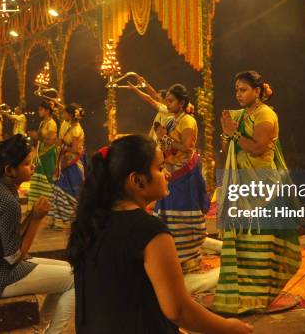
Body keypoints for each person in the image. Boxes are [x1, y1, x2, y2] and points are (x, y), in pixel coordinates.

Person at [67, 135, 252, 334]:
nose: (168, 175)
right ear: (137, 181)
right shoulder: (150, 231)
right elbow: (178, 310)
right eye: (160, 168)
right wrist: (229, 327)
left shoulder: (90, 223)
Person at [0, 135, 74, 333]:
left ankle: (38, 328)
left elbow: (11, 235)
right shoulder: (6, 200)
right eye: (26, 163)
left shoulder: (0, 191)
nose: (32, 167)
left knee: (70, 269)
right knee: (77, 278)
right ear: (9, 170)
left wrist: (31, 216)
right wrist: (37, 220)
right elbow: (14, 256)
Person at [214, 71, 301, 314]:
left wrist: (233, 132)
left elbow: (257, 147)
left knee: (260, 241)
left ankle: (260, 294)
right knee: (241, 240)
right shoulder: (239, 115)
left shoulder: (266, 114)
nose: (238, 94)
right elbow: (225, 147)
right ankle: (242, 294)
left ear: (257, 90)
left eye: (243, 89)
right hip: (240, 185)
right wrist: (226, 132)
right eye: (236, 90)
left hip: (263, 186)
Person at [154, 84, 209, 273]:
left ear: (182, 102)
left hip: (184, 176)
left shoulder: (187, 121)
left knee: (183, 213)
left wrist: (165, 138)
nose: (167, 104)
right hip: (170, 174)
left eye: (171, 101)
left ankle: (189, 258)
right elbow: (166, 144)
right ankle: (173, 256)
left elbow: (187, 147)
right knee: (168, 215)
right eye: (166, 100)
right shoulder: (171, 121)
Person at [50, 103, 86, 230]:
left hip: (73, 165)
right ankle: (59, 219)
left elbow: (75, 149)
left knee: (70, 190)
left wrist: (61, 144)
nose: (63, 114)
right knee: (59, 188)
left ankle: (68, 219)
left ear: (70, 115)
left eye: (65, 113)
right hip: (65, 162)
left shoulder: (76, 130)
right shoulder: (69, 126)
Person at [27, 101, 58, 212]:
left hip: (48, 155)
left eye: (41, 109)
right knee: (38, 181)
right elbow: (40, 139)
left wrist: (37, 137)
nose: (39, 111)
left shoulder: (52, 124)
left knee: (47, 181)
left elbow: (51, 142)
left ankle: (48, 208)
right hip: (40, 154)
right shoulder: (42, 123)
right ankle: (37, 207)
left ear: (47, 111)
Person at [126, 76, 172, 141]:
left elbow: (150, 99)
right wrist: (144, 83)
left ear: (165, 100)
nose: (156, 99)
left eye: (158, 98)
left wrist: (135, 90)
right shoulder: (163, 108)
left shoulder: (167, 110)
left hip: (162, 144)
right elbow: (153, 94)